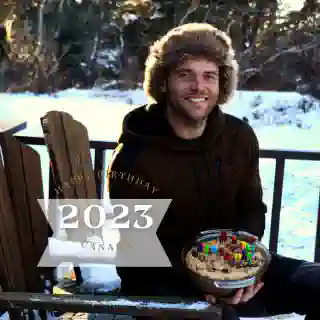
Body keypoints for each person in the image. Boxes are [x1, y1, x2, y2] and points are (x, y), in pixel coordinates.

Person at [107, 23, 319, 319]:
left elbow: (252, 211)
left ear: (222, 85)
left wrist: (241, 273)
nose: (198, 87)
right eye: (185, 75)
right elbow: (137, 252)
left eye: (209, 76)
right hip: (162, 284)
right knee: (219, 317)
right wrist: (207, 282)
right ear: (164, 82)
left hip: (235, 267)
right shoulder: (133, 156)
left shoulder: (239, 137)